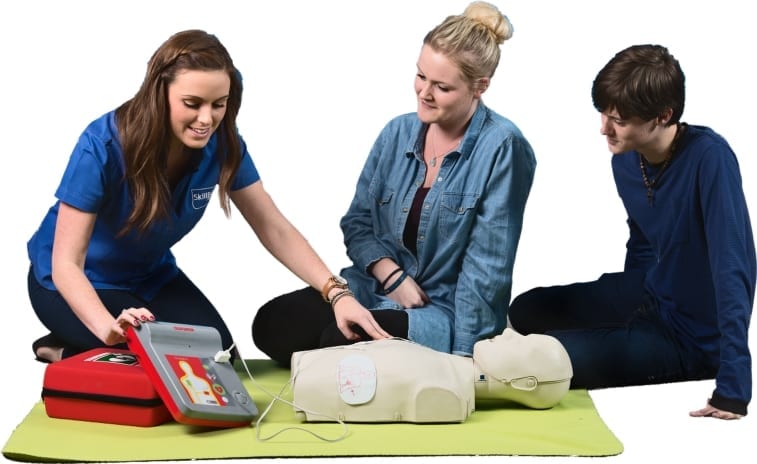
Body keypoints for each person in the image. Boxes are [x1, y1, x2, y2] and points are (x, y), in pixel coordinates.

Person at [27, 29, 390, 364]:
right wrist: (106, 329)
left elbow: (273, 227)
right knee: (157, 362)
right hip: (73, 283)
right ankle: (64, 347)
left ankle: (95, 346)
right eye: (192, 103)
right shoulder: (102, 144)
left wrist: (337, 294)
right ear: (160, 93)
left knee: (220, 358)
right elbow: (66, 264)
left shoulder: (222, 143)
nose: (207, 118)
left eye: (218, 104)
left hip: (149, 278)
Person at [252, 1, 536, 366]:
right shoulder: (397, 132)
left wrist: (466, 358)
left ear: (479, 86)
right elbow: (357, 223)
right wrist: (391, 275)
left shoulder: (504, 147)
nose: (424, 93)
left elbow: (488, 268)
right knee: (272, 325)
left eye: (442, 87)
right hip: (373, 287)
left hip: (441, 309)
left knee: (336, 344)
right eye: (421, 76)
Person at [507, 44, 755, 420]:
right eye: (603, 114)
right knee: (526, 309)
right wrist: (625, 313)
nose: (604, 128)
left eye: (618, 120)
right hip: (651, 295)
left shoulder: (710, 159)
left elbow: (734, 265)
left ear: (662, 116)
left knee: (544, 361)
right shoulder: (626, 159)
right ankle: (628, 333)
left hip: (693, 338)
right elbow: (641, 238)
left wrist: (734, 385)